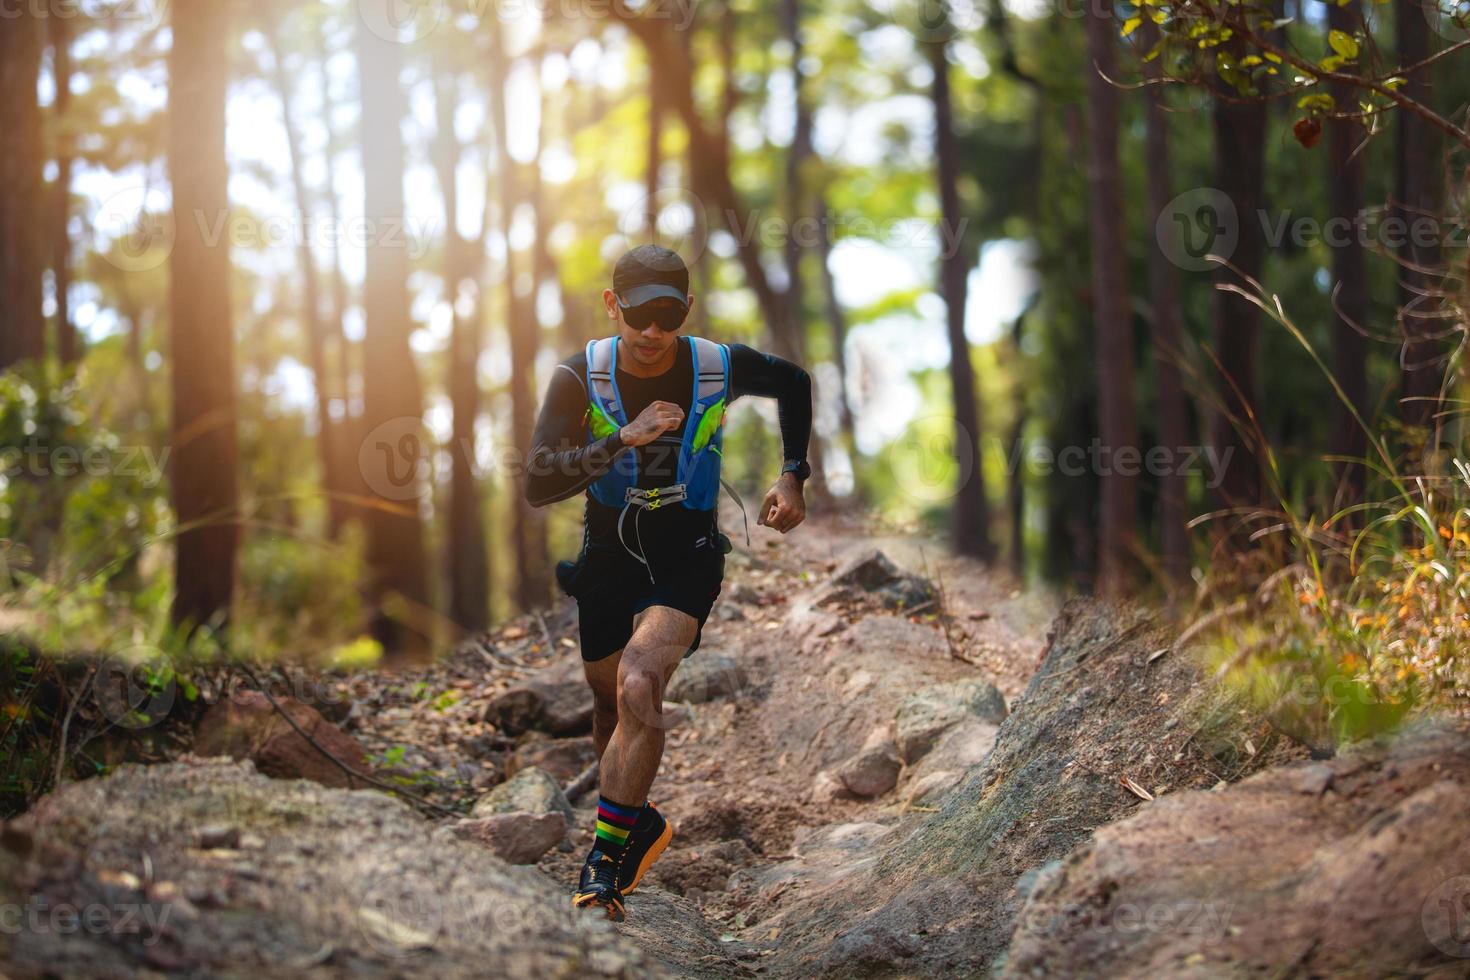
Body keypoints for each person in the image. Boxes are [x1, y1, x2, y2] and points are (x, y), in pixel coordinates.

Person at [525, 244, 813, 921]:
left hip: (686, 549)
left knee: (639, 680)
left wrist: (793, 472)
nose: (651, 332)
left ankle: (602, 869)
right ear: (611, 306)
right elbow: (539, 481)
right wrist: (623, 437)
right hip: (607, 555)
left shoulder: (717, 364)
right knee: (607, 709)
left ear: (687, 309)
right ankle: (637, 821)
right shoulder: (578, 376)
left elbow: (794, 381)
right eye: (636, 315)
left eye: (666, 315)